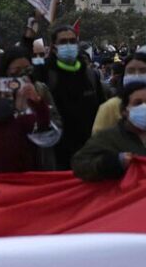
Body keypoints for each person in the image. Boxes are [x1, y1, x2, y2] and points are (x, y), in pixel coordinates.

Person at [72, 82, 146, 181]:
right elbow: (80, 165)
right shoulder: (106, 138)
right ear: (124, 111)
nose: (144, 107)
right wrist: (113, 163)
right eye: (138, 103)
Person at [34, 25, 107, 169]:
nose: (68, 45)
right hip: (57, 154)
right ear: (53, 46)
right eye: (63, 42)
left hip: (88, 151)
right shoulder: (45, 73)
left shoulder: (90, 75)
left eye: (72, 41)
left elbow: (101, 110)